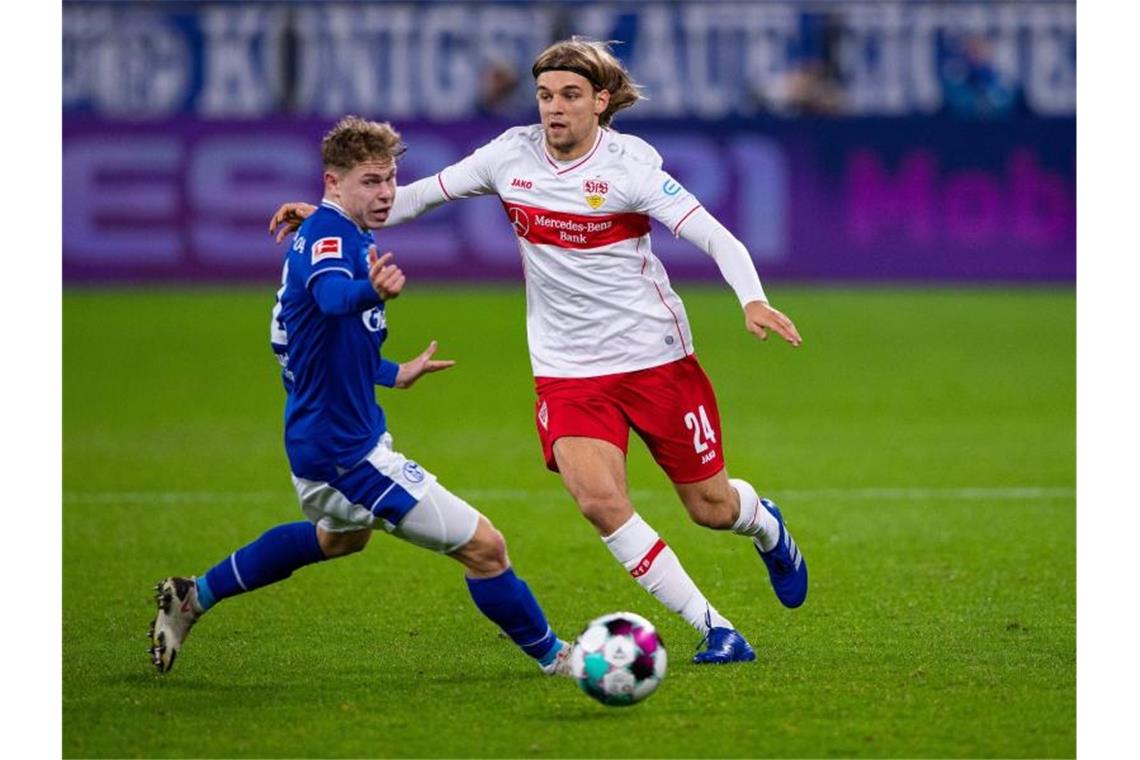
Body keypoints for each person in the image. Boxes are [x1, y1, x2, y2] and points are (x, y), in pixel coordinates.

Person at [269, 39, 808, 664]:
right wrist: (331, 214)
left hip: (654, 358)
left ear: (601, 102)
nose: (554, 108)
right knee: (600, 502)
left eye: (571, 96)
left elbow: (716, 236)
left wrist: (752, 299)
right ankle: (716, 628)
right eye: (546, 95)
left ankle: (765, 525)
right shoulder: (509, 157)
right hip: (567, 370)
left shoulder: (631, 166)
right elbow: (413, 199)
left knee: (711, 508)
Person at [149, 116, 572, 677]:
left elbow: (328, 343)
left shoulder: (334, 230)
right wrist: (367, 290)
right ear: (333, 182)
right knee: (486, 547)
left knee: (339, 541)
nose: (386, 193)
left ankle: (192, 596)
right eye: (371, 181)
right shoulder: (330, 241)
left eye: (391, 179)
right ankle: (560, 659)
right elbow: (329, 298)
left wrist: (394, 373)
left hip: (327, 437)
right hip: (346, 454)